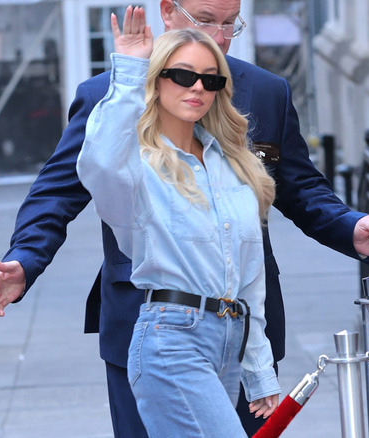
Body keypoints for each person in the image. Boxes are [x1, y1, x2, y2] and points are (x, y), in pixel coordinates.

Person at [0, 0, 369, 436]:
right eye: (205, 20)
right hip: (147, 319)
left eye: (230, 24)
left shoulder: (266, 92)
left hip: (245, 325)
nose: (219, 36)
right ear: (168, 11)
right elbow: (61, 190)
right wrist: (25, 260)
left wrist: (349, 226)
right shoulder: (109, 96)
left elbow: (299, 187)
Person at [78, 8, 280, 434]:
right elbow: (99, 162)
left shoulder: (233, 166)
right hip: (171, 340)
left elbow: (248, 280)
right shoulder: (139, 169)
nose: (198, 88)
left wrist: (259, 368)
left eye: (212, 79)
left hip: (229, 338)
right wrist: (131, 70)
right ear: (157, 80)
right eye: (183, 75)